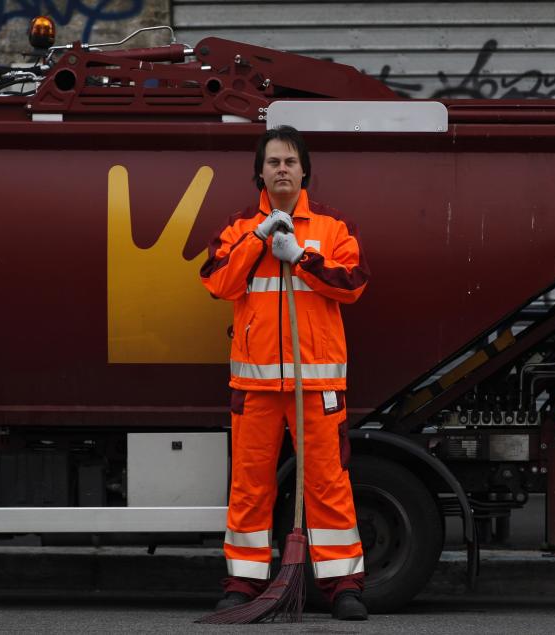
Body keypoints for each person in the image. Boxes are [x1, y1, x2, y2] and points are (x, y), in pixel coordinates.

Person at [200, 125, 370, 621]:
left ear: (304, 171)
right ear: (259, 171)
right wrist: (258, 240)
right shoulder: (238, 229)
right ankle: (243, 583)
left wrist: (301, 256)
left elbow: (353, 284)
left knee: (327, 484)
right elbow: (218, 283)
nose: (281, 170)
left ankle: (343, 586)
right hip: (254, 387)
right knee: (250, 486)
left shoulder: (333, 228)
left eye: (289, 162)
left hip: (316, 386)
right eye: (273, 162)